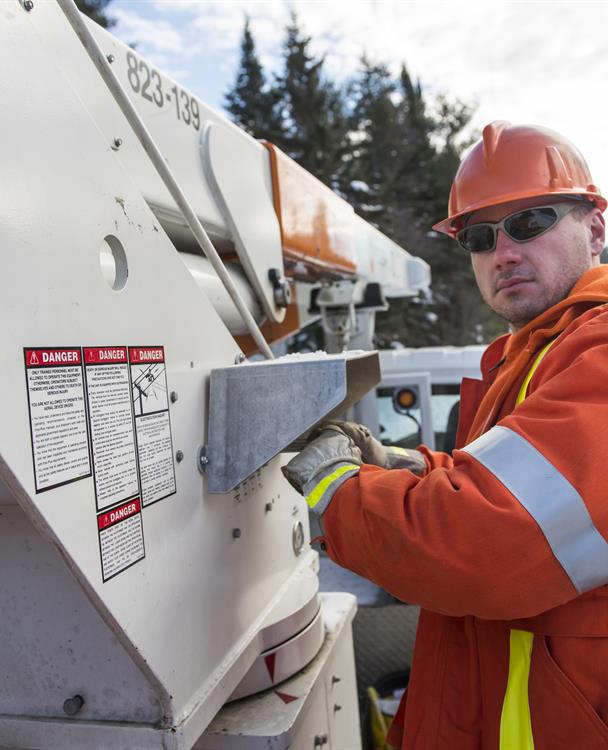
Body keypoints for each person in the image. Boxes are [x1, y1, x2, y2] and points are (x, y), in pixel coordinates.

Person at [282, 121, 608, 750]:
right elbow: (496, 480)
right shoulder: (534, 354)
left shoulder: (597, 351)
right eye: (480, 237)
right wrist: (405, 465)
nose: (503, 252)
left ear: (595, 228)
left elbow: (486, 540)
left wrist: (336, 486)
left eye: (530, 221)